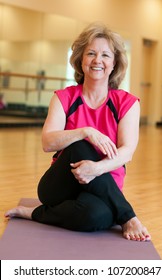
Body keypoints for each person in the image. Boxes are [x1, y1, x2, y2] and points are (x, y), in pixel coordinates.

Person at [5, 22, 151, 241]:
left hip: (103, 186)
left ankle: (33, 213)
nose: (97, 60)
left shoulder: (127, 103)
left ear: (114, 63)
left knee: (96, 217)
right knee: (81, 144)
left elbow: (127, 152)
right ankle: (127, 216)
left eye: (105, 55)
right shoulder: (64, 97)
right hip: (60, 185)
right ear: (81, 60)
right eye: (91, 53)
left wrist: (96, 169)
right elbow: (47, 142)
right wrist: (85, 131)